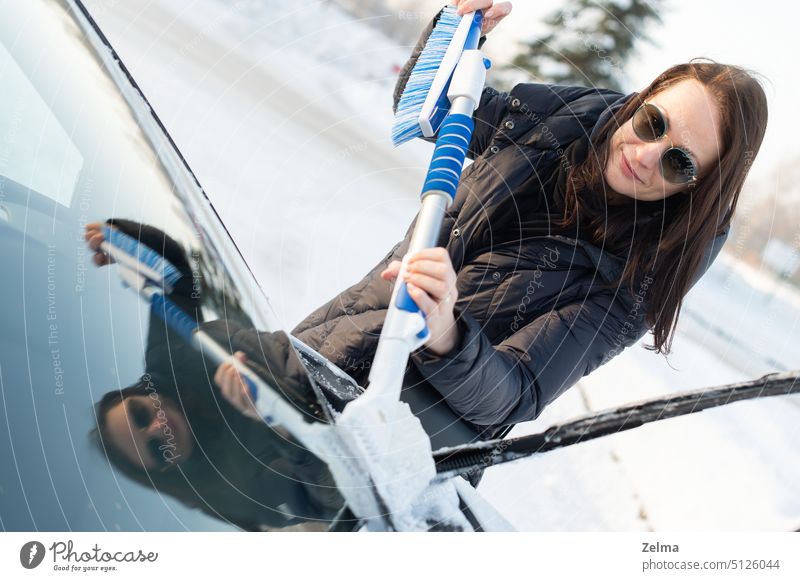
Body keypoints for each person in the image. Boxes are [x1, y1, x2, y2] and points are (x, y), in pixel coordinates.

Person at [291, 0, 769, 440]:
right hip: (328, 346)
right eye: (652, 122)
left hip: (399, 443)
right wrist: (459, 30)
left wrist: (446, 334)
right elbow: (429, 111)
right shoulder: (554, 121)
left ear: (697, 188)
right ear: (640, 100)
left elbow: (515, 392)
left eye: (678, 162)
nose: (645, 155)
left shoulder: (639, 277)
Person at [87, 220, 343, 531]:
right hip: (385, 403)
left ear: (137, 393)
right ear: (167, 470)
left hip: (344, 328)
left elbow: (177, 277)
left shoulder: (167, 361)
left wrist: (123, 238)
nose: (158, 427)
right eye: (156, 447)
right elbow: (336, 500)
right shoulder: (231, 492)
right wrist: (279, 424)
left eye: (140, 415)